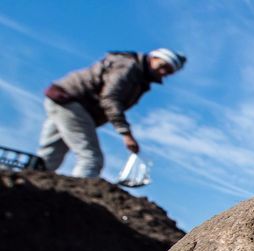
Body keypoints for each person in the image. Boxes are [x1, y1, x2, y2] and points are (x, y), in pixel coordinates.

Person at [37, 48, 186, 178]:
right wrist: (126, 133)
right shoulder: (129, 67)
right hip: (72, 102)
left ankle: (25, 190)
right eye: (163, 66)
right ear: (154, 57)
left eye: (168, 72)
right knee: (91, 159)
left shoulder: (138, 76)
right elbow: (110, 98)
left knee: (50, 154)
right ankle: (75, 205)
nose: (162, 72)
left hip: (63, 99)